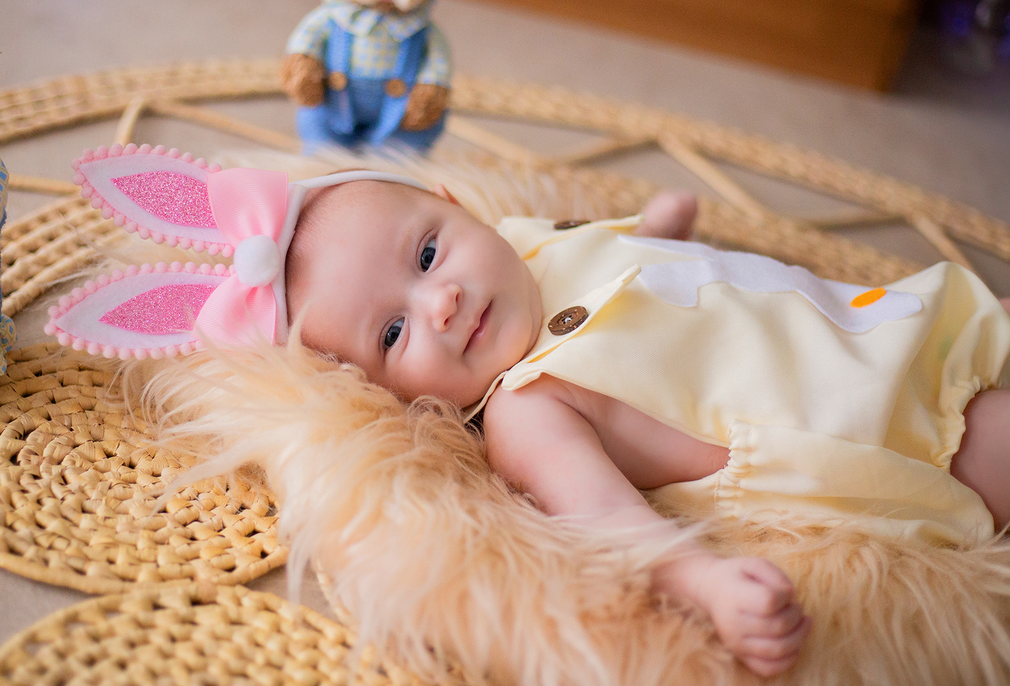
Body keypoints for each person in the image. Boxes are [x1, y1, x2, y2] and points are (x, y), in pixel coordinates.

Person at [283, 177, 1010, 678]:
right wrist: (707, 583)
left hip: (869, 324)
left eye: (428, 254)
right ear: (392, 400)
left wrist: (660, 234)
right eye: (391, 334)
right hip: (876, 426)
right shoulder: (527, 408)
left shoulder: (524, 249)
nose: (438, 302)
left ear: (457, 205)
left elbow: (618, 260)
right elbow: (606, 517)